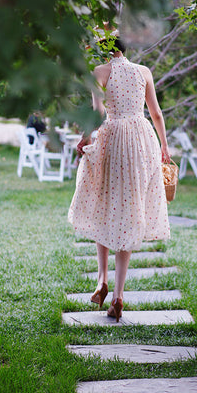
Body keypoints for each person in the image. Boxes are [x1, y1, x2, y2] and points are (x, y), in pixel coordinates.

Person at [68, 35, 171, 321]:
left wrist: (85, 138)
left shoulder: (99, 72)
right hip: (141, 141)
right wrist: (164, 145)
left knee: (105, 206)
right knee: (129, 210)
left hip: (113, 140)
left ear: (104, 53)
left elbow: (99, 113)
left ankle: (101, 280)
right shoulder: (144, 72)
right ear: (124, 50)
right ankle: (118, 295)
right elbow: (156, 113)